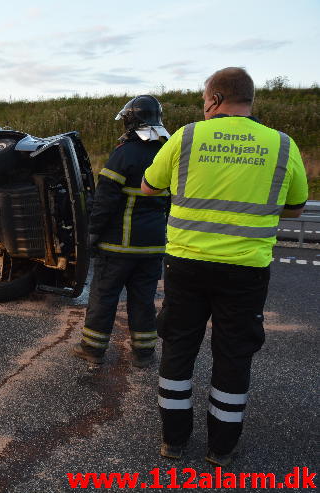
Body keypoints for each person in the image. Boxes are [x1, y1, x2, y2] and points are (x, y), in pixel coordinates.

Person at [141, 67, 308, 466]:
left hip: (187, 264)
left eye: (204, 101)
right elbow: (298, 207)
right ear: (249, 100)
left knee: (178, 347)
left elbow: (150, 185)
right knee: (234, 355)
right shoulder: (282, 144)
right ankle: (222, 448)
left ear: (214, 100)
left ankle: (174, 440)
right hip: (246, 269)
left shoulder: (187, 136)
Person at [72, 95, 171, 369]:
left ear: (131, 120)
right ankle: (144, 353)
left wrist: (91, 234)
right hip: (152, 247)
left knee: (104, 296)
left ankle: (92, 348)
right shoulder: (167, 152)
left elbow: (104, 201)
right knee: (143, 300)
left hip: (118, 246)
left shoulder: (124, 153)